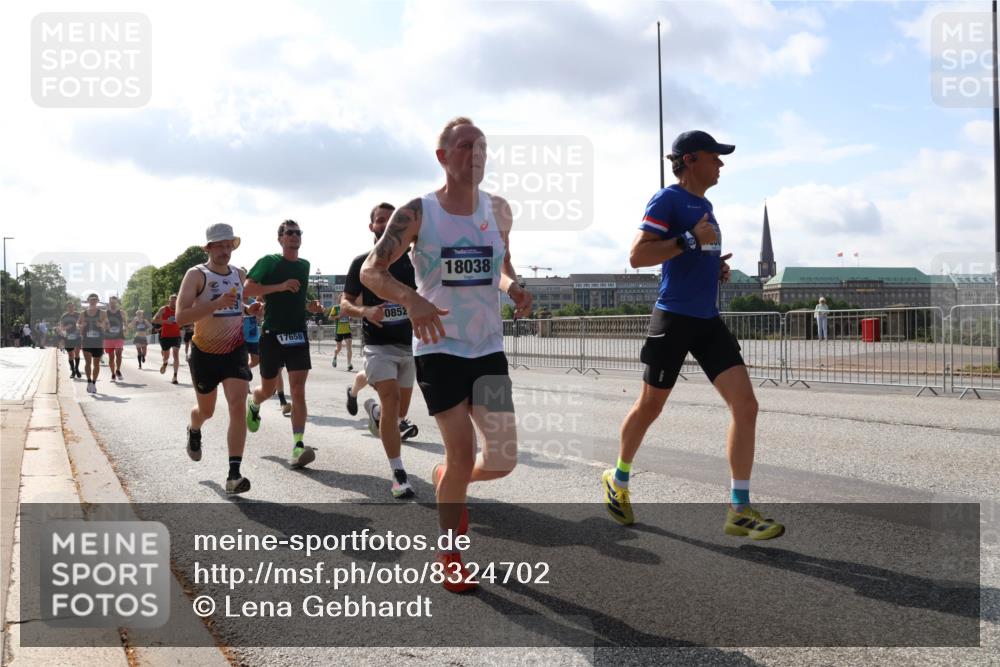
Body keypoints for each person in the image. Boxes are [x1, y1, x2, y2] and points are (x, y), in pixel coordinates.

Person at [362, 117, 532, 592]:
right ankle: (450, 554)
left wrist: (512, 285)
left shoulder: (499, 210)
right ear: (442, 157)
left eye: (481, 146)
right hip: (438, 347)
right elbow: (374, 272)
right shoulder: (418, 212)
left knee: (502, 459)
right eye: (463, 146)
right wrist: (412, 300)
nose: (474, 153)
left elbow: (499, 264)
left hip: (488, 348)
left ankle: (446, 478)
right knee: (462, 451)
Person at [602, 130, 784, 540]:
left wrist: (713, 266)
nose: (721, 164)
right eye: (714, 156)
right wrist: (688, 240)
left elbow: (693, 253)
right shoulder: (667, 199)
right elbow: (637, 256)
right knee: (650, 407)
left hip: (708, 320)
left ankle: (739, 508)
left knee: (747, 405)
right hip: (674, 319)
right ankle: (619, 478)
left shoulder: (706, 205)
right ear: (689, 160)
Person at [343, 201, 420, 499]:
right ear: (372, 226)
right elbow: (345, 304)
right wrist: (366, 311)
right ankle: (399, 474)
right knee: (391, 400)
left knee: (399, 413)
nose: (386, 225)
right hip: (378, 346)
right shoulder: (361, 262)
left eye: (391, 221)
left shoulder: (413, 263)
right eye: (380, 220)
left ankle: (375, 413)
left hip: (410, 345)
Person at [176, 224, 259, 494]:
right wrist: (215, 304)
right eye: (220, 246)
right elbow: (181, 317)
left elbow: (237, 304)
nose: (225, 251)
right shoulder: (196, 275)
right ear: (208, 247)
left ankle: (234, 474)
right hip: (204, 353)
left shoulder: (239, 274)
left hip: (235, 349)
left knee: (237, 405)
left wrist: (250, 309)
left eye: (229, 246)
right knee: (207, 411)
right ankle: (195, 426)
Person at [244, 219, 325, 468]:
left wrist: (309, 305)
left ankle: (298, 445)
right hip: (272, 335)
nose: (294, 236)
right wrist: (280, 286)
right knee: (267, 390)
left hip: (298, 335)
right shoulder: (270, 262)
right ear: (280, 238)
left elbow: (296, 295)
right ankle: (254, 402)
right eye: (289, 233)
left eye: (298, 232)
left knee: (298, 390)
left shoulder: (304, 265)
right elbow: (247, 289)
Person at [78, 293, 108, 394]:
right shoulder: (83, 313)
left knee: (96, 364)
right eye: (91, 299)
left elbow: (107, 325)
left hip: (98, 341)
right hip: (87, 340)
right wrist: (81, 325)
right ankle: (89, 382)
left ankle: (94, 383)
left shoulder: (102, 313)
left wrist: (101, 324)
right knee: (88, 363)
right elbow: (78, 324)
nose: (93, 301)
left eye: (95, 299)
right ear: (88, 301)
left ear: (97, 301)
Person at [152, 294, 182, 384]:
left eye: (175, 301)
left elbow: (186, 319)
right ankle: (165, 362)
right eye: (172, 301)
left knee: (176, 355)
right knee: (166, 356)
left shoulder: (180, 309)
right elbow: (154, 320)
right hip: (165, 336)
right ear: (169, 301)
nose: (173, 303)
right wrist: (166, 321)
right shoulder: (164, 309)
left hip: (176, 335)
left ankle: (175, 376)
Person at [104, 296, 126, 381]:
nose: (113, 304)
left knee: (119, 354)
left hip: (119, 336)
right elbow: (102, 324)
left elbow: (125, 323)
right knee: (111, 357)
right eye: (111, 302)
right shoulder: (105, 313)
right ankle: (113, 374)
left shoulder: (121, 312)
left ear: (117, 303)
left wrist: (124, 327)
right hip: (108, 337)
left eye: (114, 302)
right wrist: (106, 326)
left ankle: (118, 370)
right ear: (109, 303)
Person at [59, 301, 82, 378]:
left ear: (74, 307)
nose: (71, 308)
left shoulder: (78, 315)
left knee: (77, 353)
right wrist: (66, 327)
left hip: (77, 337)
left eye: (72, 306)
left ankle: (77, 369)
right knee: (70, 355)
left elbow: (83, 324)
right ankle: (73, 371)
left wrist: (80, 326)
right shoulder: (64, 316)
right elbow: (61, 328)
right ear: (67, 308)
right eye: (69, 307)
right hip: (68, 337)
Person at [330, 303, 354, 371]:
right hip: (339, 331)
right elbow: (330, 317)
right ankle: (335, 356)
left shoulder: (348, 307)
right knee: (338, 348)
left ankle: (349, 364)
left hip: (347, 330)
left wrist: (350, 318)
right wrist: (338, 316)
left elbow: (351, 316)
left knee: (349, 348)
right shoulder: (336, 307)